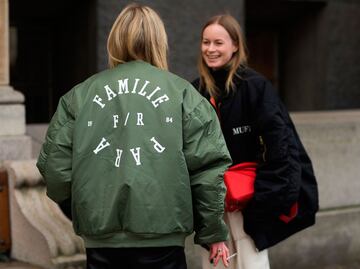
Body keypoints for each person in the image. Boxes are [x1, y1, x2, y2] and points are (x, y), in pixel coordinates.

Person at [37, 4, 233, 269]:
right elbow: (208, 170)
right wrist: (212, 233)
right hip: (164, 237)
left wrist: (88, 208)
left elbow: (56, 169)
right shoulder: (184, 95)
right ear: (159, 42)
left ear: (115, 39)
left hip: (101, 240)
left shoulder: (79, 96)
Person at [192, 14, 319, 269]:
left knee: (251, 263)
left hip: (248, 200)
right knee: (213, 265)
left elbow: (282, 149)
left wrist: (261, 205)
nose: (210, 49)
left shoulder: (255, 87)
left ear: (235, 45)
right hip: (212, 203)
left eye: (218, 43)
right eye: (206, 42)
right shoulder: (196, 91)